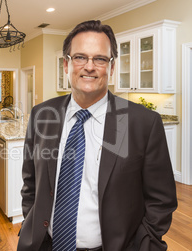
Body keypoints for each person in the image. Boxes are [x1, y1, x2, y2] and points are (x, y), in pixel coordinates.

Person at [17, 20, 177, 251]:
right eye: (80, 57)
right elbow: (30, 181)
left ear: (111, 67)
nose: (89, 67)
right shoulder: (42, 115)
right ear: (66, 64)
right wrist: (29, 224)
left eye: (100, 59)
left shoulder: (143, 123)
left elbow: (161, 200)